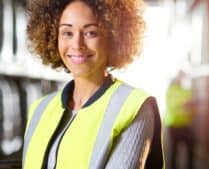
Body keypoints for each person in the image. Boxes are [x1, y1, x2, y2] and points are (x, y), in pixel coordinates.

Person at [22, 0, 164, 169]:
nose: (77, 45)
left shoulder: (134, 107)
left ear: (113, 37)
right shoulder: (39, 109)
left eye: (90, 33)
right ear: (53, 37)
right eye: (67, 33)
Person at [163, 70, 196, 169]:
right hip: (173, 125)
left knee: (191, 146)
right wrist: (184, 105)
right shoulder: (170, 90)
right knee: (174, 151)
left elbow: (192, 107)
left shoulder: (185, 91)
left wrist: (190, 108)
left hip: (184, 124)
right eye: (180, 77)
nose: (181, 79)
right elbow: (173, 105)